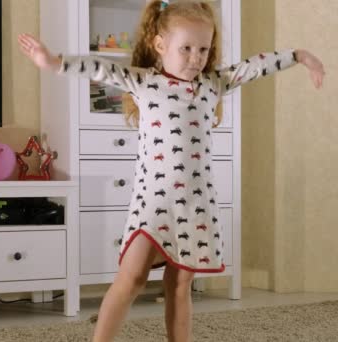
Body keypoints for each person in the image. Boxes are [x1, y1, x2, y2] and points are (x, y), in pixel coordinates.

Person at [19, 1, 325, 341]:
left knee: (180, 285)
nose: (196, 58)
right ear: (160, 45)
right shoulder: (145, 82)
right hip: (152, 204)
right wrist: (53, 62)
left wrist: (298, 55)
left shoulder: (213, 84)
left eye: (203, 49)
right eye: (187, 49)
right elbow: (99, 68)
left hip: (197, 206)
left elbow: (253, 67)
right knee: (131, 279)